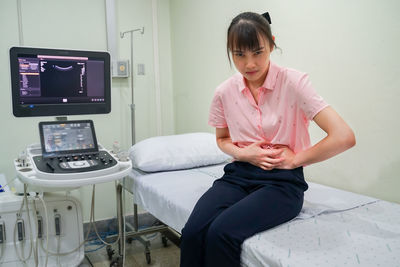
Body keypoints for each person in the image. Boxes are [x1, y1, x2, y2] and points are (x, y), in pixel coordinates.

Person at [179, 11, 355, 267]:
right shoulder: (224, 92)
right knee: (193, 233)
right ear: (230, 51)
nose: (249, 64)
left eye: (258, 52)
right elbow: (222, 139)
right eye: (239, 55)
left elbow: (344, 136)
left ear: (272, 44)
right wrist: (244, 153)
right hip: (238, 175)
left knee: (221, 233)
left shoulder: (294, 82)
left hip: (282, 184)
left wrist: (295, 159)